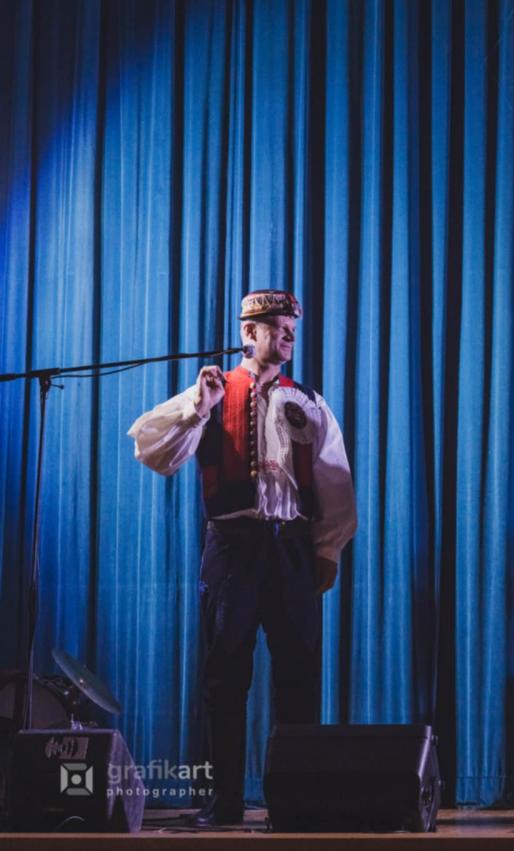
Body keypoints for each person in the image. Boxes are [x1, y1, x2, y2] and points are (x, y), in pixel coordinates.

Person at [128, 290, 356, 826]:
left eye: (291, 327)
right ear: (248, 333)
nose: (288, 335)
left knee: (299, 672)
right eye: (277, 326)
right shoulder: (212, 390)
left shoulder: (308, 401)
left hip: (292, 547)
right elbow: (154, 451)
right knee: (225, 673)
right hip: (233, 546)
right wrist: (198, 407)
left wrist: (327, 548)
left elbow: (334, 478)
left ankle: (297, 801)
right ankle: (224, 799)